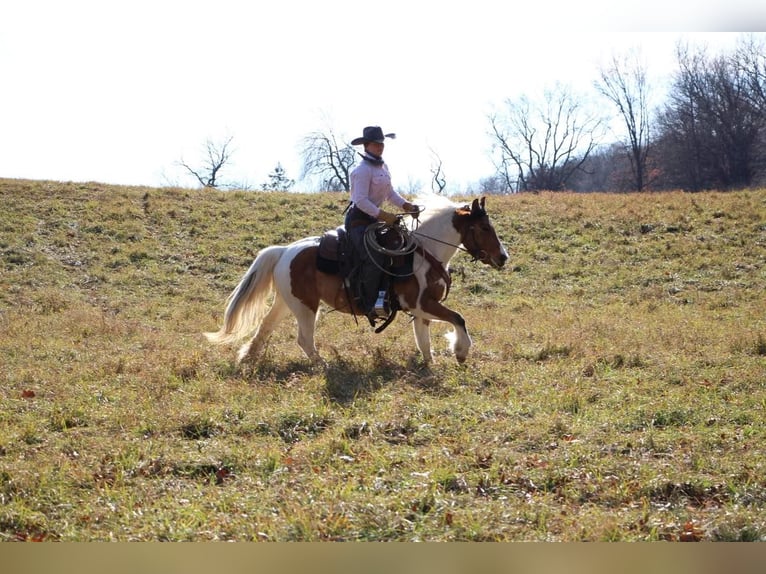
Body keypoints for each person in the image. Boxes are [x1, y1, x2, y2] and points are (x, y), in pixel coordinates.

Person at [344, 126, 418, 324]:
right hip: (358, 221)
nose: (380, 147)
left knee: (399, 246)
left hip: (374, 221)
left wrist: (406, 205)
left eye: (381, 144)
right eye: (376, 144)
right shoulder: (361, 171)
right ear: (367, 145)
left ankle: (392, 297)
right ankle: (368, 305)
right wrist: (384, 215)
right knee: (373, 256)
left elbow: (389, 194)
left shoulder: (383, 168)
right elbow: (360, 201)